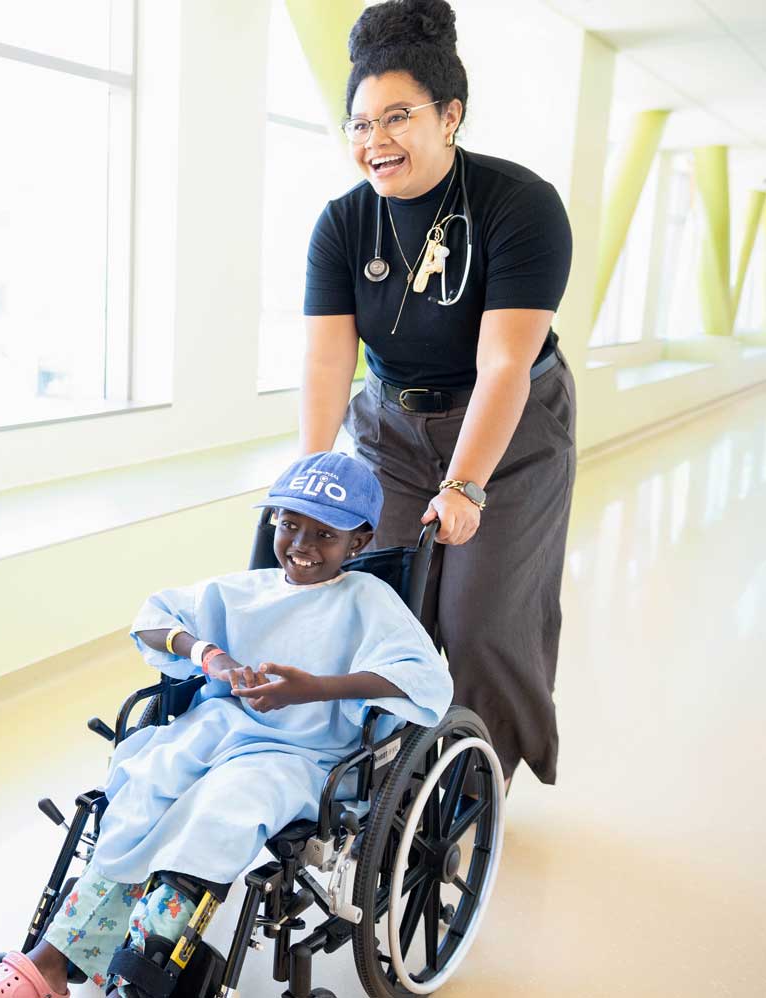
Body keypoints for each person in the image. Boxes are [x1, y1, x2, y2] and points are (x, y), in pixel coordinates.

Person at [0, 452, 451, 998]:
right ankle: (50, 963)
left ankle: (144, 975)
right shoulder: (243, 590)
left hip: (301, 755)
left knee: (218, 811)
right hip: (217, 730)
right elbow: (153, 620)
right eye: (289, 525)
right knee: (146, 786)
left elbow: (424, 679)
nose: (302, 545)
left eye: (324, 534)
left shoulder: (369, 599)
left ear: (358, 543)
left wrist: (317, 687)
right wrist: (210, 656)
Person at [298, 0, 576, 789]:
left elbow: (504, 367)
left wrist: (466, 482)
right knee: (377, 602)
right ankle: (379, 770)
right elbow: (327, 364)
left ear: (450, 115)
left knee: (480, 622)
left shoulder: (518, 206)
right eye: (358, 124)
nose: (373, 141)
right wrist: (311, 475)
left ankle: (472, 786)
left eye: (396, 117)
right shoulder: (343, 224)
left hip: (509, 434)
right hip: (390, 430)